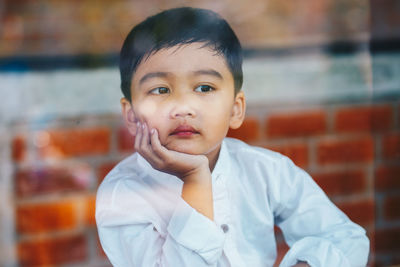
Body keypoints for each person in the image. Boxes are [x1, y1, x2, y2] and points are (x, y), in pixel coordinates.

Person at [96, 7, 369, 267]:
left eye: (204, 87)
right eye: (160, 90)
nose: (183, 107)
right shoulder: (122, 195)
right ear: (131, 116)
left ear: (236, 110)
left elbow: (346, 238)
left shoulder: (265, 171)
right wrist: (195, 180)